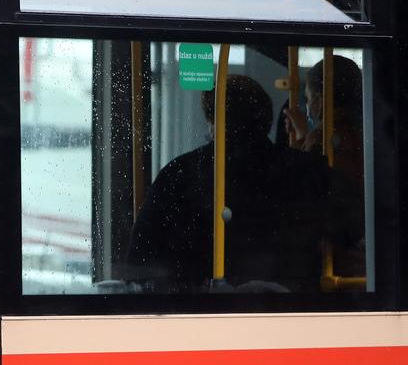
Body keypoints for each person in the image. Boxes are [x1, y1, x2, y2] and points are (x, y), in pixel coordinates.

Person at [124, 73, 350, 291]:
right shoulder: (306, 171)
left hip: (202, 307)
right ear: (267, 119)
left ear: (213, 120)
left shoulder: (179, 175)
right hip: (294, 307)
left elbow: (140, 263)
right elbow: (352, 231)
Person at [284, 55, 366, 278]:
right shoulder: (367, 132)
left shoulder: (322, 138)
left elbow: (307, 185)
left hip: (335, 257)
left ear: (320, 100)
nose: (308, 105)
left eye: (308, 98)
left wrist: (304, 139)